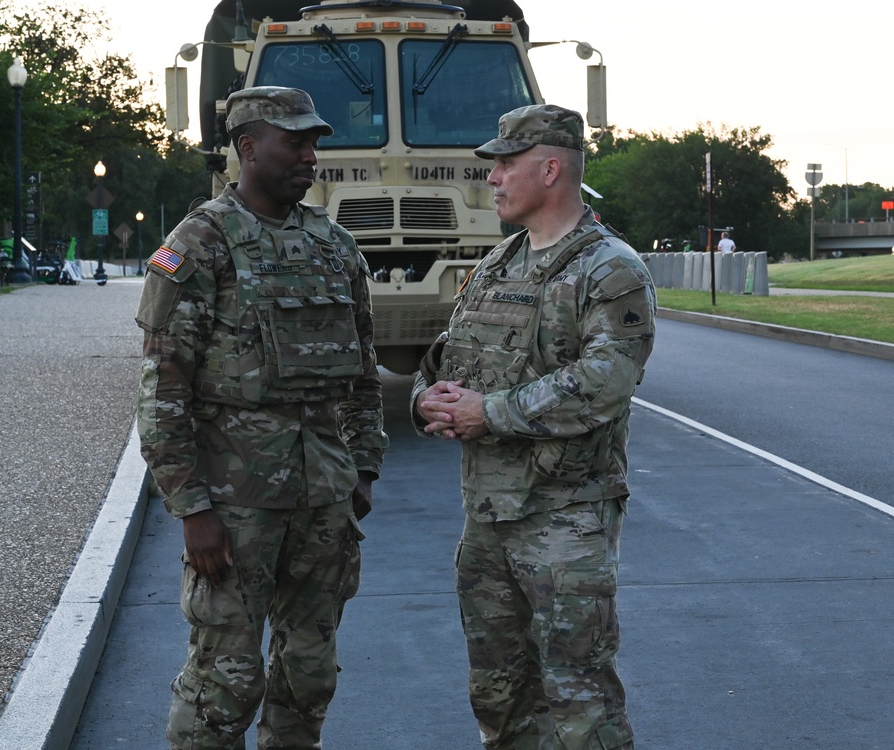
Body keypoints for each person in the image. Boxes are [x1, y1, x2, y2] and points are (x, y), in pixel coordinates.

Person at [135, 86, 388, 750]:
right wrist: (191, 507)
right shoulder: (201, 243)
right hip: (234, 505)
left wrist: (362, 470)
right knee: (227, 678)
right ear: (248, 147)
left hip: (322, 502)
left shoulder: (334, 246)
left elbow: (364, 375)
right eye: (294, 141)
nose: (310, 154)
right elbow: (163, 388)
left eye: (313, 142)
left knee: (309, 674)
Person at [411, 104, 656, 750]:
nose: (491, 178)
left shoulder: (610, 270)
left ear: (550, 169)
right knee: (500, 697)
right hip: (487, 519)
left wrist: (487, 412)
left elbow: (605, 381)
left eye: (504, 164)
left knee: (581, 702)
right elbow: (448, 354)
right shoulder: (497, 266)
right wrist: (424, 400)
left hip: (565, 523)